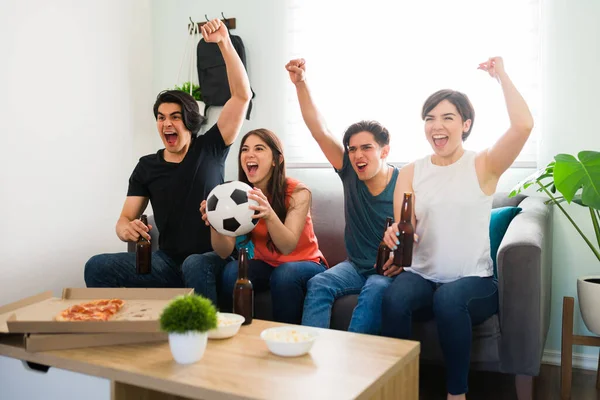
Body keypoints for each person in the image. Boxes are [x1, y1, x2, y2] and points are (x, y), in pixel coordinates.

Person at [380, 57, 534, 400]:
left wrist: (502, 76)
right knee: (394, 297)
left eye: (447, 117)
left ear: (465, 124)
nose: (437, 125)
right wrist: (394, 236)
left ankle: (456, 394)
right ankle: (400, 389)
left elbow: (523, 125)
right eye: (430, 118)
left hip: (473, 282)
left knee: (450, 300)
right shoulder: (411, 171)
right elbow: (408, 228)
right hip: (423, 276)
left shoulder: (483, 164)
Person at [84, 19, 252, 306]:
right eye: (161, 118)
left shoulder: (210, 147)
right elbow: (125, 219)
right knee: (96, 266)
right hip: (167, 262)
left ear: (189, 120)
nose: (166, 123)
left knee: (195, 265)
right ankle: (120, 334)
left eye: (174, 116)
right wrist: (125, 229)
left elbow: (241, 95)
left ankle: (206, 337)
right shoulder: (147, 166)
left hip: (211, 259)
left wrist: (224, 42)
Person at [285, 58, 407, 335]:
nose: (357, 155)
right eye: (352, 149)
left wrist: (403, 263)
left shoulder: (404, 182)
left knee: (375, 290)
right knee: (319, 284)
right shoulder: (349, 171)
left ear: (384, 151)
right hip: (354, 266)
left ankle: (352, 364)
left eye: (366, 148)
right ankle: (308, 357)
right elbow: (319, 130)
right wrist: (301, 83)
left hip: (385, 273)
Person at [200, 129, 328, 324]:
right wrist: (214, 222)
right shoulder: (238, 194)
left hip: (306, 263)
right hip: (266, 264)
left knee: (284, 275)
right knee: (232, 272)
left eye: (259, 149)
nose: (250, 154)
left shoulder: (298, 192)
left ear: (277, 160)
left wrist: (269, 214)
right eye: (245, 149)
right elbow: (224, 251)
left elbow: (287, 246)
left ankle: (286, 339)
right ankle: (236, 332)